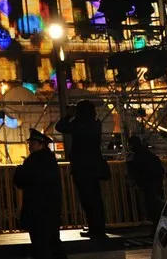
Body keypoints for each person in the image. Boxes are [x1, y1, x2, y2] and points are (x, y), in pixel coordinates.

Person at [55, 99, 108, 239]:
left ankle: (95, 229)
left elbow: (60, 127)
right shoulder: (95, 124)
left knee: (87, 200)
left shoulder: (79, 125)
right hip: (93, 168)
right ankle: (98, 228)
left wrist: (69, 115)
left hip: (82, 168)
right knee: (95, 199)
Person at [14, 129, 66, 259]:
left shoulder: (33, 161)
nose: (29, 145)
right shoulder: (50, 161)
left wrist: (19, 169)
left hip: (36, 210)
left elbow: (21, 180)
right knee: (54, 244)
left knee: (40, 245)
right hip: (51, 210)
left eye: (32, 142)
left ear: (41, 144)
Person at [126, 136, 165, 229]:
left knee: (151, 207)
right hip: (154, 183)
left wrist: (134, 183)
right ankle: (157, 227)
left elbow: (133, 171)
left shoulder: (135, 157)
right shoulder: (149, 155)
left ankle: (156, 228)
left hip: (146, 185)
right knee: (156, 207)